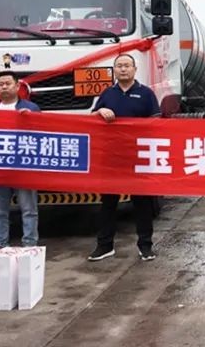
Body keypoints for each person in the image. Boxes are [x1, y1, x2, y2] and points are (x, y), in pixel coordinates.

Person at [87, 53, 162, 262]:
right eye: (119, 66)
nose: (123, 69)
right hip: (112, 157)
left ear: (134, 69)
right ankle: (104, 246)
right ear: (115, 70)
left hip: (138, 157)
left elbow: (157, 123)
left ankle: (145, 246)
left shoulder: (146, 94)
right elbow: (91, 118)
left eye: (127, 65)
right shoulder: (107, 94)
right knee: (108, 203)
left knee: (143, 204)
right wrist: (100, 111)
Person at [0, 71, 41, 248]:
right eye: (0, 84)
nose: (4, 87)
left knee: (29, 210)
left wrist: (32, 119)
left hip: (23, 168)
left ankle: (30, 245)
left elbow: (42, 134)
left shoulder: (31, 108)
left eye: (8, 83)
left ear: (17, 86)